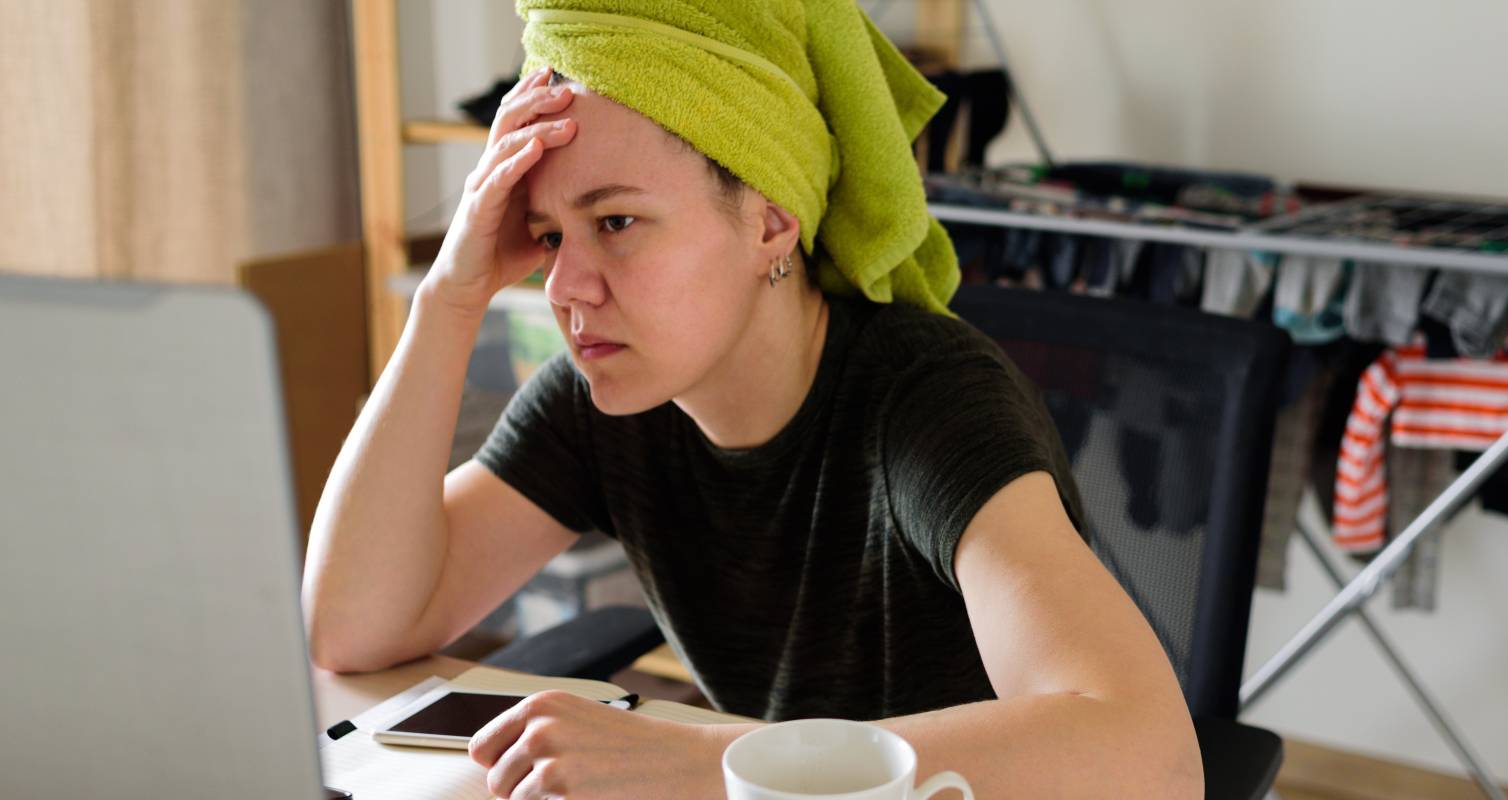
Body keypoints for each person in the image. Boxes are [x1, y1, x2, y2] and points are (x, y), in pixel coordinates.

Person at [302, 2, 1204, 797]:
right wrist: (447, 300)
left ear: (772, 220)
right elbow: (352, 629)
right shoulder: (606, 398)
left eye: (615, 222)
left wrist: (703, 766)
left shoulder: (927, 402)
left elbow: (1151, 760)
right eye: (547, 234)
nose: (565, 285)